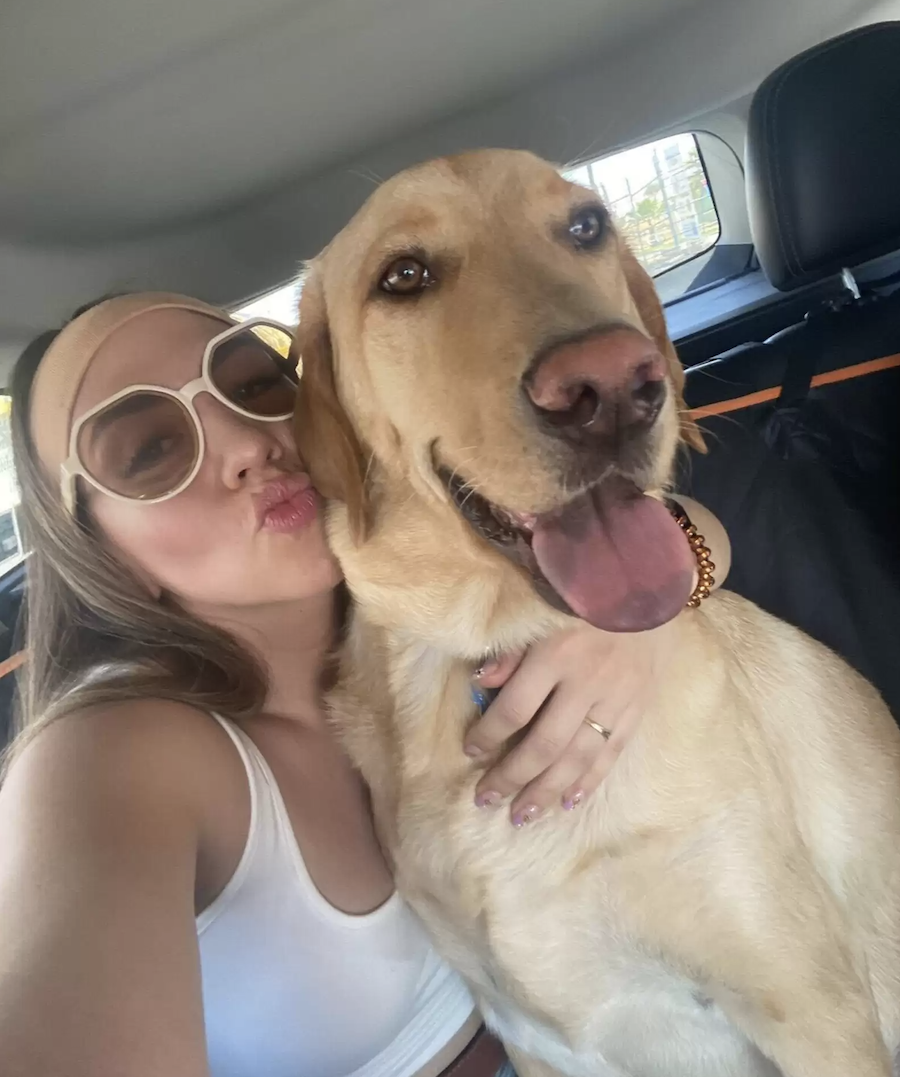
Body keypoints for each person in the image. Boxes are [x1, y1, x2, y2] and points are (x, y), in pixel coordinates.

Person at [0, 292, 729, 1077]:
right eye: (149, 451)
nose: (250, 443)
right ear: (103, 558)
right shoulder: (104, 761)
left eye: (256, 384)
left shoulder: (434, 583)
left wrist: (637, 622)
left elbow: (696, 526)